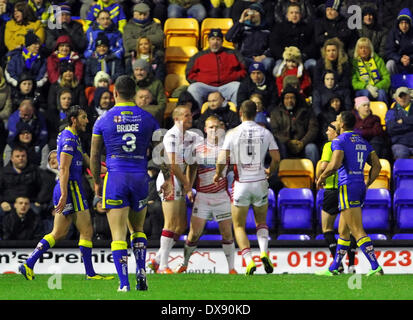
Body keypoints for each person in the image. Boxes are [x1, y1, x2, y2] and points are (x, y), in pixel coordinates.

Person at [19, 106, 114, 281]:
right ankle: (91, 273)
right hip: (71, 188)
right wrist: (64, 193)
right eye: (83, 117)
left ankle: (29, 263)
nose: (87, 121)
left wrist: (108, 168)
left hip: (65, 188)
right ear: (74, 120)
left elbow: (85, 159)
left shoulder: (72, 136)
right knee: (87, 231)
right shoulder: (69, 139)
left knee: (59, 233)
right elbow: (63, 168)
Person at [90, 75, 160, 291]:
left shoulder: (103, 120)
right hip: (140, 177)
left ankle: (123, 283)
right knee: (138, 229)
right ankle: (141, 272)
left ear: (115, 93)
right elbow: (159, 152)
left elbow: (94, 155)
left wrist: (96, 183)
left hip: (116, 177)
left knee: (118, 234)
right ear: (134, 93)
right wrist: (164, 175)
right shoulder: (149, 118)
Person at [214, 99, 280, 275]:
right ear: (256, 112)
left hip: (241, 184)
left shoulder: (233, 133)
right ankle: (264, 252)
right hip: (260, 182)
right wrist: (270, 171)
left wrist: (218, 173)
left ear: (240, 113)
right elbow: (276, 158)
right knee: (261, 222)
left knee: (239, 226)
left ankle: (249, 260)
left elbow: (222, 160)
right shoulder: (265, 132)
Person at [316, 110, 383, 276]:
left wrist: (321, 177)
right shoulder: (362, 141)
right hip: (359, 185)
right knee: (343, 231)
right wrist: (367, 183)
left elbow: (335, 163)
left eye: (338, 120)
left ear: (343, 124)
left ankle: (375, 267)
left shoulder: (339, 140)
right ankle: (334, 268)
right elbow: (377, 166)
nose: (336, 122)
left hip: (347, 186)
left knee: (357, 230)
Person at [175, 115, 237, 274]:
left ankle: (232, 269)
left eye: (216, 127)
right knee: (194, 234)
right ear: (205, 129)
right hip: (202, 197)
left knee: (227, 233)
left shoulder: (227, 148)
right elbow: (192, 167)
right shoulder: (199, 148)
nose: (214, 130)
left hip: (222, 196)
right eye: (211, 127)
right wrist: (188, 187)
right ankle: (184, 263)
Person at [149, 105, 202, 274]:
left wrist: (188, 186)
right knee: (171, 223)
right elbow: (172, 164)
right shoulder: (171, 135)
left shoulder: (193, 136)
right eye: (186, 116)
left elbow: (193, 165)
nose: (190, 118)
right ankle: (163, 266)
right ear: (176, 119)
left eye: (190, 115)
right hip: (168, 179)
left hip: (181, 180)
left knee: (180, 226)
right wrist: (186, 184)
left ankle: (156, 260)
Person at [316, 121, 357, 274]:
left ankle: (337, 265)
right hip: (349, 188)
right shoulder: (350, 144)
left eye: (328, 129)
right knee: (349, 230)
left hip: (333, 189)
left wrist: (320, 176)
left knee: (327, 228)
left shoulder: (330, 145)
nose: (326, 132)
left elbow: (324, 166)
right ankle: (351, 265)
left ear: (336, 132)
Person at [186, 28, 247, 110]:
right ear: (208, 41)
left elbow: (244, 69)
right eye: (213, 39)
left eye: (218, 39)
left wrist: (235, 77)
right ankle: (197, 117)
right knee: (193, 88)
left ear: (222, 42)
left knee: (238, 86)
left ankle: (238, 115)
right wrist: (202, 80)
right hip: (206, 87)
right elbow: (189, 73)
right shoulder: (199, 56)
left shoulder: (233, 53)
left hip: (227, 86)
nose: (215, 42)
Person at [270, 85, 320, 167]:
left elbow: (313, 129)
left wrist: (302, 142)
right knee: (279, 147)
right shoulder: (276, 112)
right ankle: (281, 176)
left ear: (296, 99)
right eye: (287, 98)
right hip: (285, 145)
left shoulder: (306, 111)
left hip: (303, 144)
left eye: (292, 98)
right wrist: (288, 142)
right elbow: (275, 131)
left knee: (312, 148)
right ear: (283, 99)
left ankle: (314, 177)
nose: (289, 100)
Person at [225, 2, 273, 73]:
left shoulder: (267, 30)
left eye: (255, 11)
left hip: (260, 58)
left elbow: (272, 47)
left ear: (260, 14)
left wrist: (263, 56)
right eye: (251, 11)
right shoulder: (242, 28)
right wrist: (241, 21)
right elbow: (228, 38)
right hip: (245, 58)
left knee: (269, 62)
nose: (252, 14)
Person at [351, 37, 390, 105]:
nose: (363, 50)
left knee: (382, 93)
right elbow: (354, 82)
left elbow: (387, 79)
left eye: (366, 47)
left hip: (377, 87)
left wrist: (376, 87)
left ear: (370, 49)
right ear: (357, 50)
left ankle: (383, 113)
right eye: (361, 48)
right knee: (366, 93)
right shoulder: (354, 63)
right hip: (363, 89)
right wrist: (367, 87)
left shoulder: (378, 60)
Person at [385, 86, 413, 159]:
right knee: (400, 154)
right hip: (400, 144)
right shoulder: (391, 112)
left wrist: (403, 121)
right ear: (396, 98)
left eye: (405, 96)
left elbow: (396, 127)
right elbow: (391, 128)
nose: (403, 98)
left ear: (410, 96)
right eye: (400, 96)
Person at [385, 8, 413, 75]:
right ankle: (391, 84)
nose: (404, 25)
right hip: (398, 63)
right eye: (401, 23)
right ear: (398, 24)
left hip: (411, 62)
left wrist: (410, 58)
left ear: (410, 24)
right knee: (390, 64)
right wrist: (400, 59)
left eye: (406, 23)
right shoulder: (393, 33)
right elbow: (389, 52)